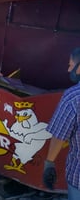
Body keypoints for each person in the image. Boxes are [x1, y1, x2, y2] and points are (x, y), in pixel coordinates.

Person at [43, 47, 80, 199]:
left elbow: (59, 136)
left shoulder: (73, 98)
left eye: (71, 65)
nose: (68, 69)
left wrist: (49, 164)